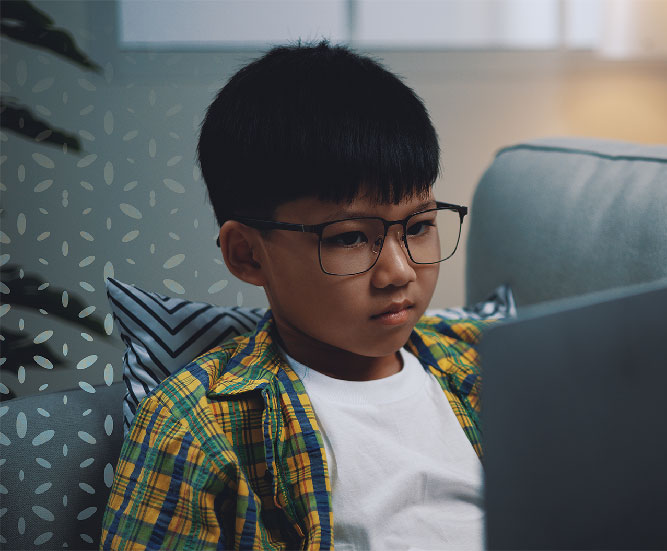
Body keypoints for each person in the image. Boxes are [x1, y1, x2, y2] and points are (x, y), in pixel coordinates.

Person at [101, 40, 489, 550]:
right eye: (350, 237)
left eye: (418, 226)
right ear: (248, 255)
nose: (398, 272)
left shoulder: (485, 361)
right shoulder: (193, 429)